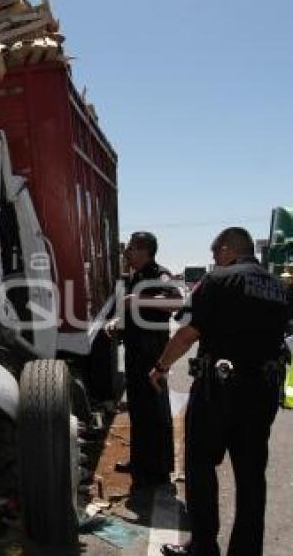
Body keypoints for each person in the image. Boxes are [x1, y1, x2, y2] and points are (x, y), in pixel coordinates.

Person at [153, 228, 291, 556]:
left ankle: (203, 546)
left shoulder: (219, 280)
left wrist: (160, 367)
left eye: (216, 253)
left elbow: (187, 333)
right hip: (262, 392)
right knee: (251, 475)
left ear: (228, 249)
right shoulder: (280, 287)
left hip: (220, 391)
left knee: (200, 466)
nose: (214, 260)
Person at [105, 231, 182, 489]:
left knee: (155, 412)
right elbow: (132, 311)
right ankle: (140, 463)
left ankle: (159, 470)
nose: (126, 253)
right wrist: (117, 323)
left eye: (132, 249)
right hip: (136, 354)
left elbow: (175, 301)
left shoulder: (159, 274)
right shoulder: (135, 276)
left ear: (146, 251)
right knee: (139, 412)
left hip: (153, 356)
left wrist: (136, 299)